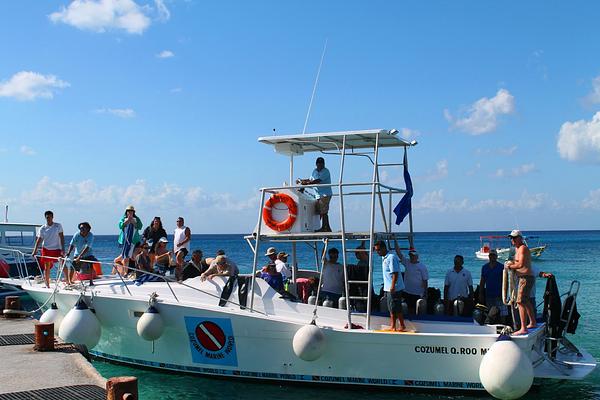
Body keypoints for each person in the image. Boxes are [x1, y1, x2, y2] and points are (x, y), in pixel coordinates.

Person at [504, 229, 536, 335]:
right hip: (522, 278)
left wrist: (509, 266)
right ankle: (532, 322)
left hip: (525, 277)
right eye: (511, 238)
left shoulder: (522, 248)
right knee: (525, 300)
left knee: (520, 301)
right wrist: (511, 263)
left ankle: (523, 328)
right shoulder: (517, 249)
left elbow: (520, 265)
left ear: (519, 238)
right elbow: (517, 262)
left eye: (514, 237)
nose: (512, 240)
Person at [374, 240, 405, 332]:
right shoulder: (384, 257)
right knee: (393, 307)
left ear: (384, 248)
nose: (377, 252)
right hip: (388, 287)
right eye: (376, 250)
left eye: (379, 250)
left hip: (394, 287)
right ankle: (399, 325)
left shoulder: (391, 257)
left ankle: (395, 326)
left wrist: (392, 286)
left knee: (394, 308)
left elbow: (395, 273)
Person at [297, 157, 333, 232]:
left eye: (321, 164)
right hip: (318, 195)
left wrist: (306, 183)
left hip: (325, 194)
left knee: (324, 212)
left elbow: (317, 181)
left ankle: (325, 228)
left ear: (324, 164)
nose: (320, 165)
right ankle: (327, 228)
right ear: (316, 164)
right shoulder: (314, 171)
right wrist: (302, 180)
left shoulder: (326, 171)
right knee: (321, 211)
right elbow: (311, 180)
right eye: (319, 163)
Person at [32, 210, 65, 288]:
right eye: (47, 217)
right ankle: (47, 284)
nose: (48, 218)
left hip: (57, 248)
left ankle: (68, 281)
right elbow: (39, 240)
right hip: (46, 249)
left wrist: (63, 248)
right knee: (47, 268)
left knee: (63, 264)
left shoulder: (58, 226)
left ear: (52, 217)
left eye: (49, 217)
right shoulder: (42, 228)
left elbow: (62, 237)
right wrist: (35, 251)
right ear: (45, 218)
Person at [397, 246, 429, 314]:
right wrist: (395, 241)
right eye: (410, 256)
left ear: (417, 256)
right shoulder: (407, 262)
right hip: (407, 291)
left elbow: (425, 280)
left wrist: (425, 292)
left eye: (413, 256)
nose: (412, 257)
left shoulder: (422, 266)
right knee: (407, 309)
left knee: (417, 310)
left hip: (417, 293)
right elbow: (399, 254)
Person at [114, 205, 143, 276]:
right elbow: (120, 226)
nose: (130, 213)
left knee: (131, 256)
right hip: (125, 241)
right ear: (126, 212)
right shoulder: (123, 219)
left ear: (133, 212)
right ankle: (123, 272)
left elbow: (140, 226)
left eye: (131, 211)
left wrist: (133, 222)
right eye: (128, 211)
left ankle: (128, 272)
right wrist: (127, 221)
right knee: (125, 256)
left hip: (133, 241)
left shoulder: (136, 219)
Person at [478, 249, 507, 318]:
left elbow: (506, 281)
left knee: (502, 314)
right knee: (491, 314)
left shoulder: (501, 267)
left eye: (494, 255)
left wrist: (505, 294)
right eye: (491, 255)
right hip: (489, 295)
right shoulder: (484, 267)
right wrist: (480, 293)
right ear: (489, 256)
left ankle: (503, 325)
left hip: (500, 295)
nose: (492, 257)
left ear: (496, 256)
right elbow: (482, 281)